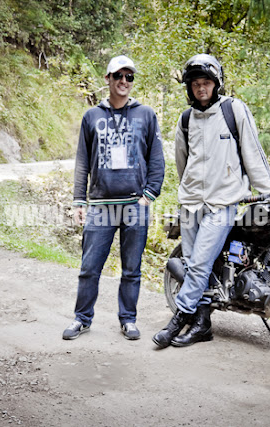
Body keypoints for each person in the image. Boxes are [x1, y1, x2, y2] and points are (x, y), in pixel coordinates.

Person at [152, 54, 270, 348]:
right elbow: (182, 163)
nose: (201, 88)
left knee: (197, 265)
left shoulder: (233, 110)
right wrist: (189, 190)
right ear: (189, 88)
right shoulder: (186, 120)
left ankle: (176, 322)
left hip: (223, 203)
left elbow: (252, 152)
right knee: (199, 265)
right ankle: (202, 325)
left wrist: (269, 190)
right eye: (195, 84)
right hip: (192, 202)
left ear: (216, 83)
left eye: (206, 82)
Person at [63, 55, 165, 341]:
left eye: (129, 76)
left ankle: (128, 320)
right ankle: (82, 319)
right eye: (118, 76)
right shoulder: (91, 116)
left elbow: (156, 159)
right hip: (100, 206)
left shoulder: (146, 115)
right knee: (89, 268)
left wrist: (148, 195)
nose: (123, 81)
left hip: (136, 205)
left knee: (131, 269)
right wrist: (78, 200)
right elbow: (82, 161)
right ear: (107, 79)